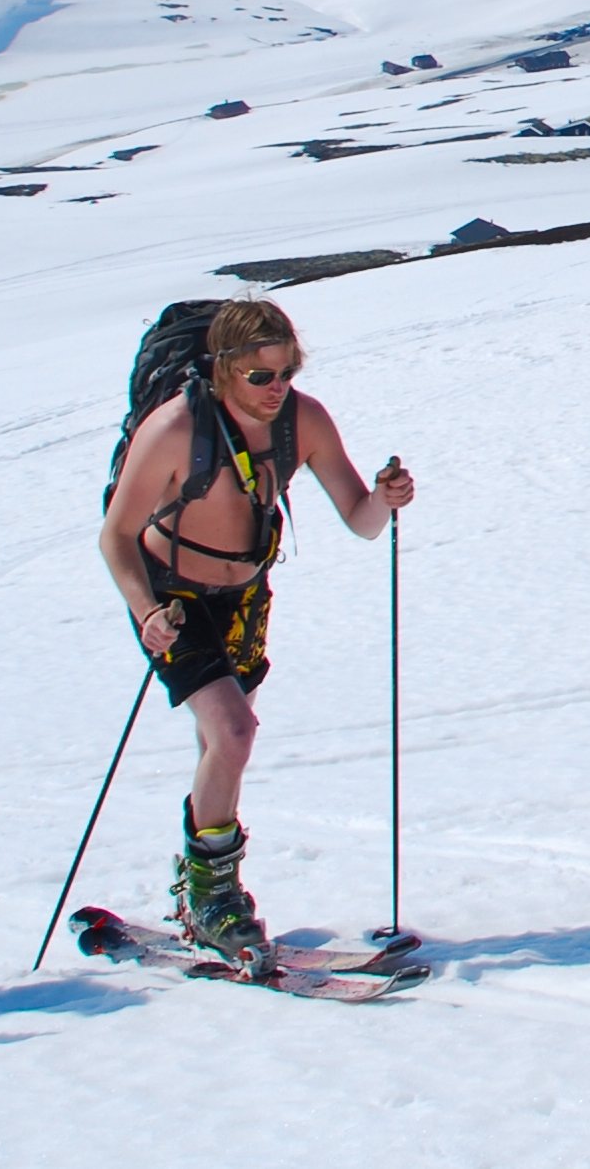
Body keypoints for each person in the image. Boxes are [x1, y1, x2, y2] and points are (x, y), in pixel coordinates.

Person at [96, 298, 412, 971]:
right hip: (170, 597)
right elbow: (117, 536)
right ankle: (215, 895)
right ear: (223, 370)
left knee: (223, 741)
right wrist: (147, 613)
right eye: (260, 377)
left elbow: (357, 517)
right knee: (233, 733)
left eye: (285, 374)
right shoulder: (175, 428)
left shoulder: (306, 420)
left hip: (243, 595)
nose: (276, 391)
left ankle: (196, 881)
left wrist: (384, 500)